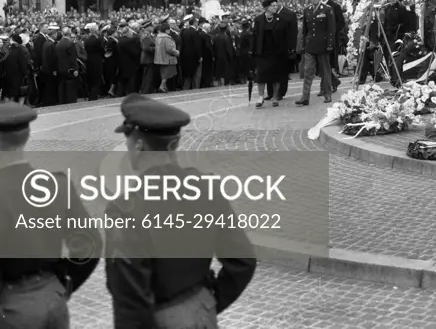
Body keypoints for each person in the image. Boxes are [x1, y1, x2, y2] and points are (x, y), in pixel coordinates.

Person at [104, 94, 257, 327]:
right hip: (202, 312)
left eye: (127, 140)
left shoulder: (125, 209)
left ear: (138, 145)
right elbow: (243, 261)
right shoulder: (207, 188)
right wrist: (209, 301)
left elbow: (130, 297)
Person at [0, 102, 100, 328]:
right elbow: (89, 244)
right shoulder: (57, 185)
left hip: (10, 303)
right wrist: (64, 281)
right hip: (52, 297)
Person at [253, 0, 295, 107]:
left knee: (277, 75)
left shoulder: (281, 19)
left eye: (276, 5)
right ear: (267, 7)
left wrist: (289, 48)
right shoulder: (258, 20)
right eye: (273, 6)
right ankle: (261, 97)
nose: (275, 8)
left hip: (277, 52)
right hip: (263, 52)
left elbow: (287, 35)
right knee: (261, 75)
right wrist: (253, 50)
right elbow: (255, 36)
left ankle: (275, 97)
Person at [297, 0, 336, 106]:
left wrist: (330, 44)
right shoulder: (307, 10)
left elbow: (331, 29)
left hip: (323, 45)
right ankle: (305, 97)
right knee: (308, 71)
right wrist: (303, 44)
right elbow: (305, 30)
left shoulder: (327, 9)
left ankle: (327, 93)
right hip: (310, 45)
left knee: (325, 71)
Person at [153, 21, 179, 94]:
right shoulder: (166, 38)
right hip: (168, 58)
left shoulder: (158, 37)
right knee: (167, 73)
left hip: (160, 58)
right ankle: (162, 86)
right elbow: (169, 49)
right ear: (166, 30)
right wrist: (177, 52)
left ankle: (164, 86)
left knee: (163, 72)